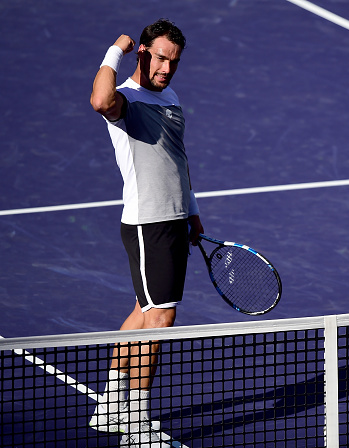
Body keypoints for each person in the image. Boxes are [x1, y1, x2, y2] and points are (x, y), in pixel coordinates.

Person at [88, 19, 204, 447]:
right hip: (147, 224)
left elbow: (178, 159)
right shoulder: (127, 100)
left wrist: (191, 212)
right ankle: (136, 422)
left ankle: (111, 405)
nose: (166, 70)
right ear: (141, 53)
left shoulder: (169, 96)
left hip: (172, 221)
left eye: (173, 62)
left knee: (143, 310)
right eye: (158, 59)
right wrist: (113, 50)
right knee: (162, 318)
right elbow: (100, 99)